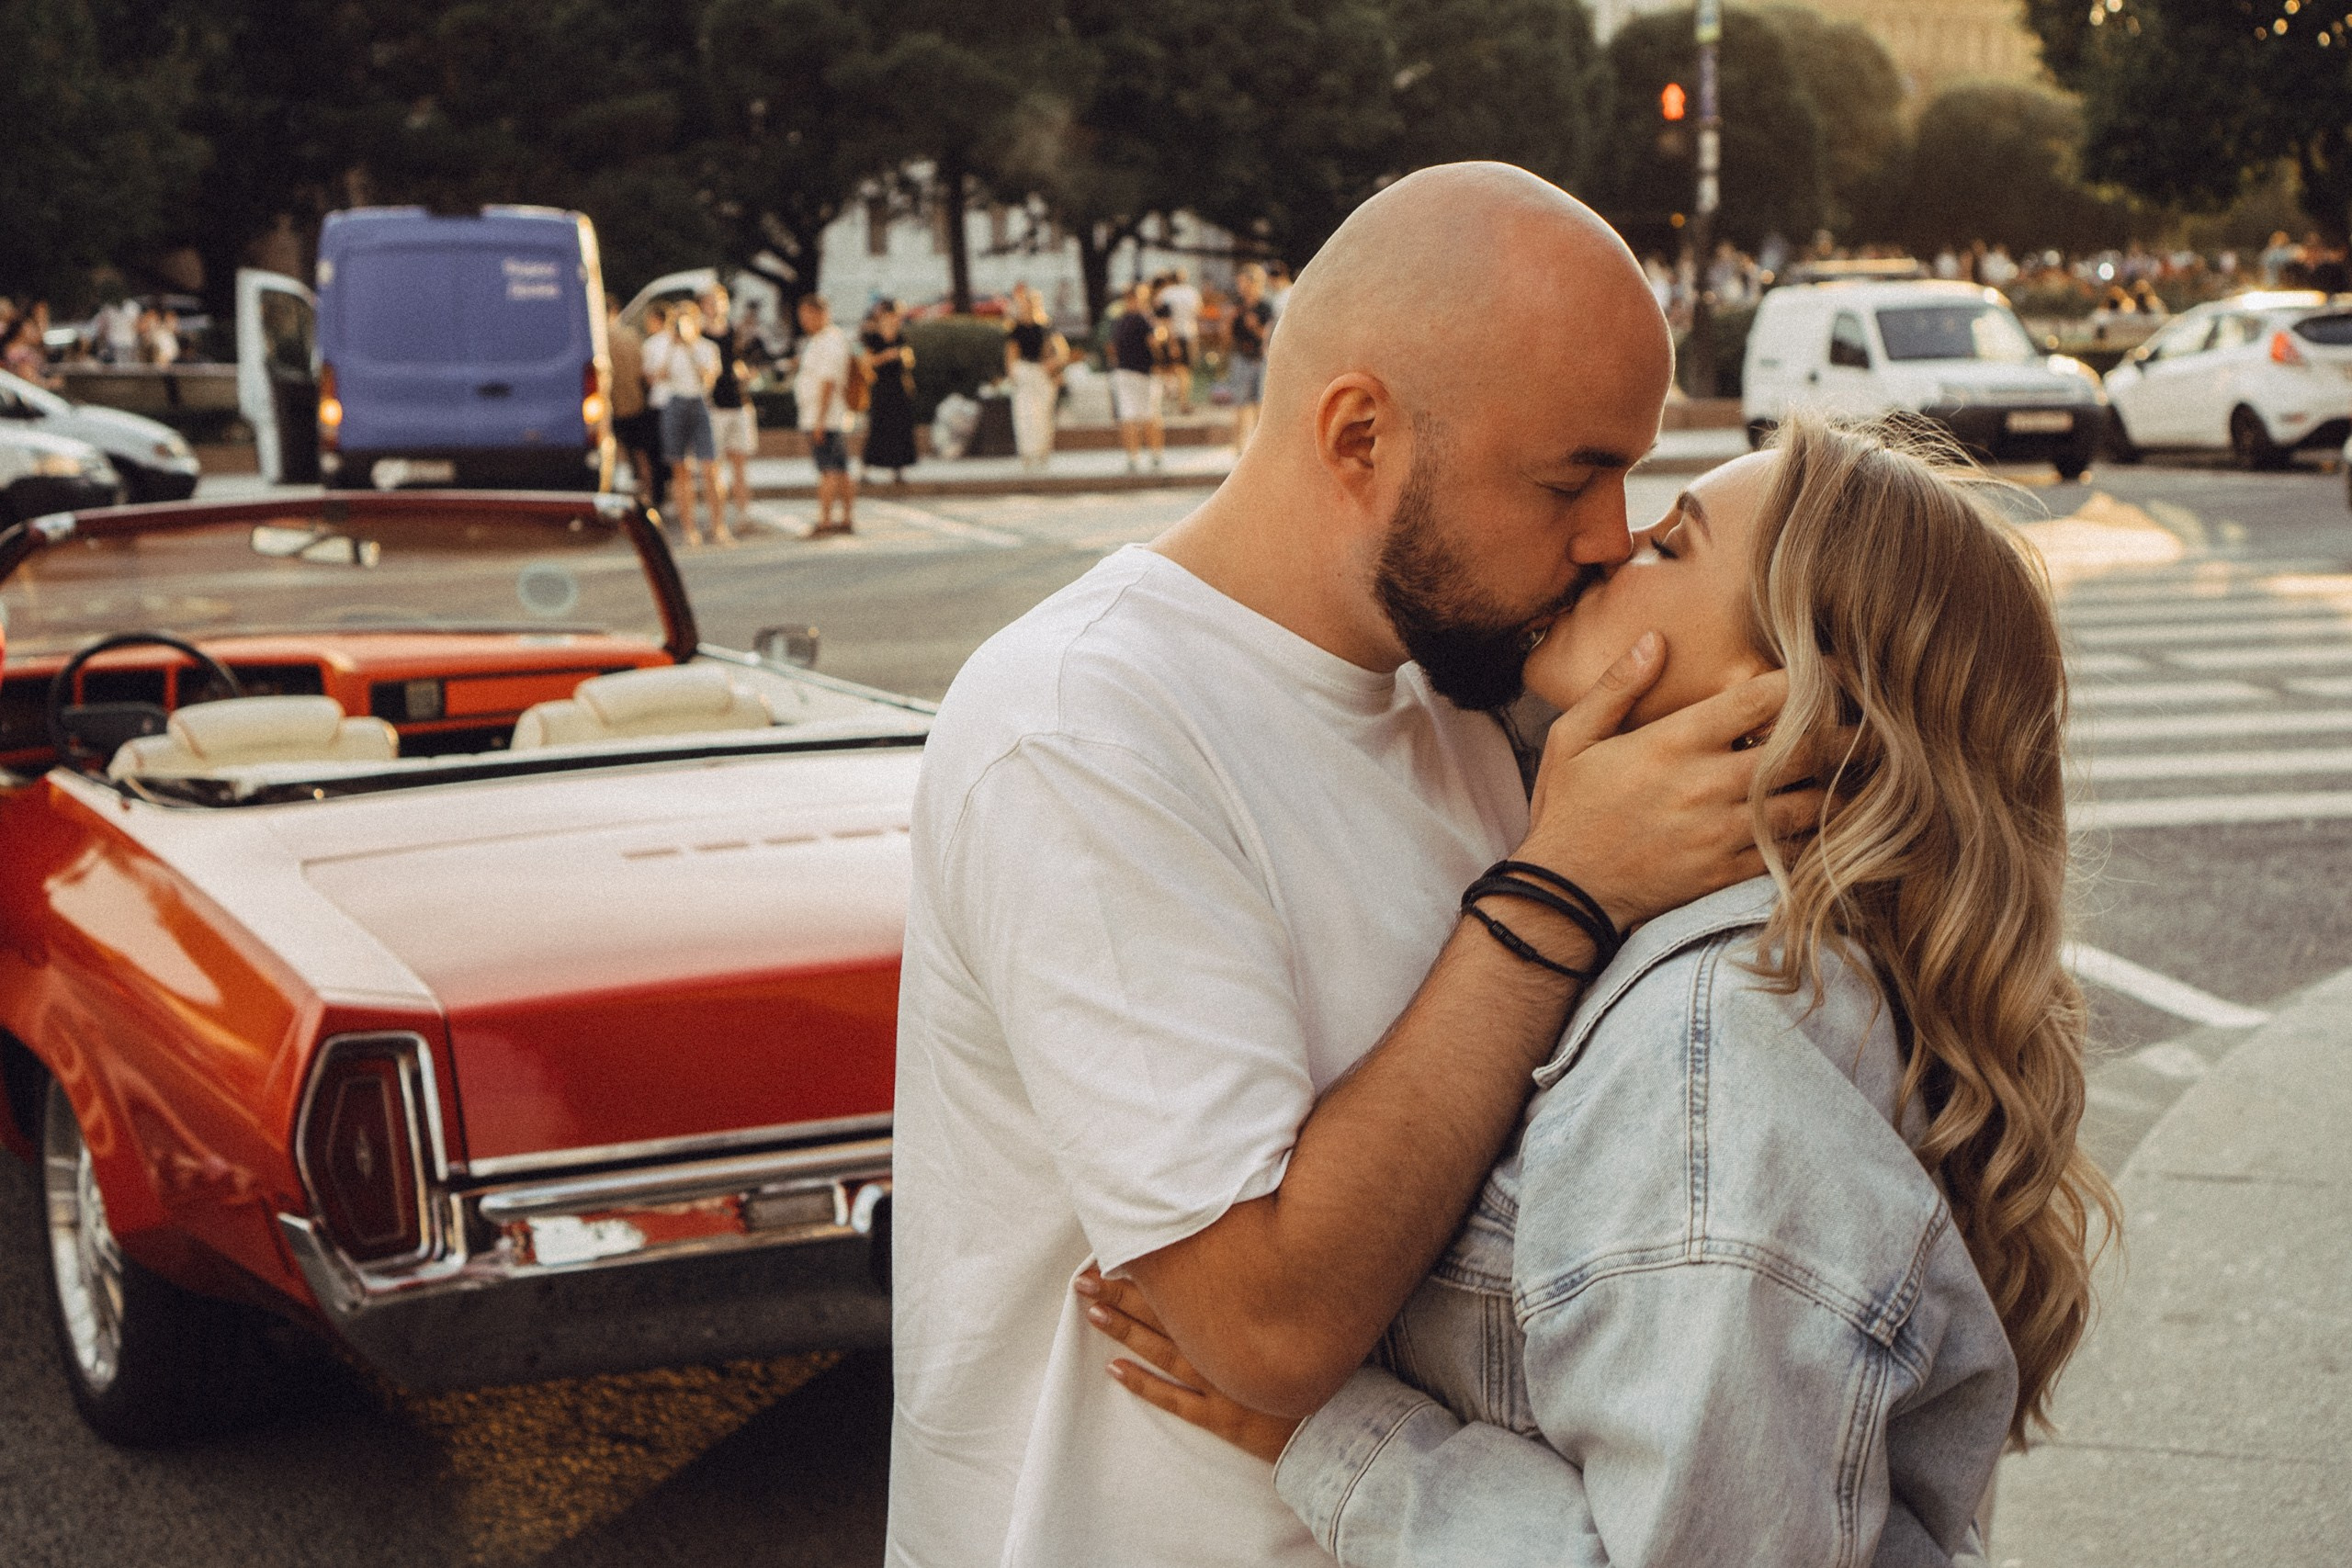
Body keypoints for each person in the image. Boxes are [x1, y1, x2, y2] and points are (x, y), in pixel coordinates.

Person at [888, 161, 1821, 1568]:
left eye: (1635, 475)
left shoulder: (1466, 696)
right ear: (1360, 432)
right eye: (1572, 474)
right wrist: (1555, 894)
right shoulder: (1082, 723)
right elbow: (1264, 1322)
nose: (1611, 534)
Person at [1088, 414, 2117, 1564]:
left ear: (1780, 706)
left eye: (1669, 546)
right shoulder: (1729, 971)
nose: (1605, 544)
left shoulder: (1722, 1055)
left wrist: (1329, 1436)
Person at [644, 298, 726, 547]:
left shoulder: (706, 348)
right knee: (680, 469)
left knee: (709, 467)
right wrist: (672, 347)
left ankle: (717, 526)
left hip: (698, 402)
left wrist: (689, 347)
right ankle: (689, 528)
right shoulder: (658, 345)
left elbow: (708, 380)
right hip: (673, 403)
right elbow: (654, 378)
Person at [795, 294, 856, 536]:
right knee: (840, 469)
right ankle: (845, 518)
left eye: (806, 315)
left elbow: (828, 382)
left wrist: (819, 419)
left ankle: (826, 519)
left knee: (829, 469)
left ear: (819, 313)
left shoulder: (829, 341)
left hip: (825, 416)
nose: (804, 321)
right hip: (825, 415)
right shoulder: (825, 340)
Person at [701, 285, 756, 537]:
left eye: (718, 301)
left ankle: (744, 516)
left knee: (740, 465)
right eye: (710, 302)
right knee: (713, 467)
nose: (715, 307)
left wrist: (744, 372)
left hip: (738, 403)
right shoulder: (699, 335)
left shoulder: (735, 332)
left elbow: (745, 361)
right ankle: (718, 521)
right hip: (714, 407)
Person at [1003, 283, 1065, 471]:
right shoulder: (1016, 328)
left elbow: (1059, 351)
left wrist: (1053, 367)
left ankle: (1042, 451)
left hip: (1041, 373)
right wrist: (1013, 374)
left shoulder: (1045, 326)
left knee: (1043, 415)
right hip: (1025, 372)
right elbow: (1011, 353)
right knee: (1025, 414)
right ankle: (1027, 453)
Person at [605, 298, 659, 506]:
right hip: (636, 402)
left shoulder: (599, 337)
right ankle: (648, 499)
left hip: (614, 404)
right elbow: (642, 370)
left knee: (620, 454)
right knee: (641, 454)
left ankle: (624, 502)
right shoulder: (632, 336)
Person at [1108, 279, 1164, 472]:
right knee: (1149, 415)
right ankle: (1155, 455)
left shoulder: (1119, 320)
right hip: (1144, 373)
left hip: (1123, 371)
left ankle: (1133, 458)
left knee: (1128, 417)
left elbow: (1112, 348)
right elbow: (1155, 343)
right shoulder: (1145, 319)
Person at [862, 298, 921, 481]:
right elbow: (866, 362)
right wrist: (885, 357)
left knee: (899, 428)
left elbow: (910, 360)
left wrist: (903, 356)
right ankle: (867, 467)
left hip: (898, 388)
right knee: (879, 427)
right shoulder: (874, 338)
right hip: (881, 388)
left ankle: (898, 468)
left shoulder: (901, 337)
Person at [1227, 263, 1272, 454]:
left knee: (1259, 404)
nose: (1241, 287)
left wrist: (1254, 326)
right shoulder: (1238, 305)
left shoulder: (1264, 306)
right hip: (1241, 357)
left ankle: (1257, 447)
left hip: (1259, 358)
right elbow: (1228, 335)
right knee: (1240, 403)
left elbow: (1268, 334)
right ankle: (1238, 447)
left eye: (1244, 282)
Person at [1158, 265, 1202, 412]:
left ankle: (1168, 397)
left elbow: (1163, 317)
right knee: (1185, 370)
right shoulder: (1192, 292)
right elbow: (1198, 312)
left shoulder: (1166, 293)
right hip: (1188, 333)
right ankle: (1183, 402)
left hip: (1170, 333)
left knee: (1167, 367)